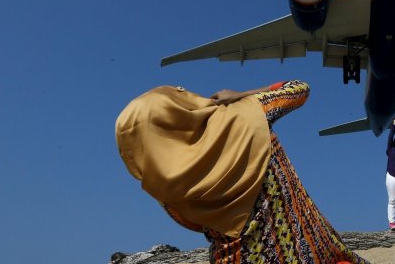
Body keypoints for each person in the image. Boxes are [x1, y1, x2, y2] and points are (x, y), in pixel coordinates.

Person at [115, 80, 367, 264]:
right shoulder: (246, 114)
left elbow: (193, 223)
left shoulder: (162, 186)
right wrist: (244, 94)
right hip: (300, 250)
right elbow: (299, 88)